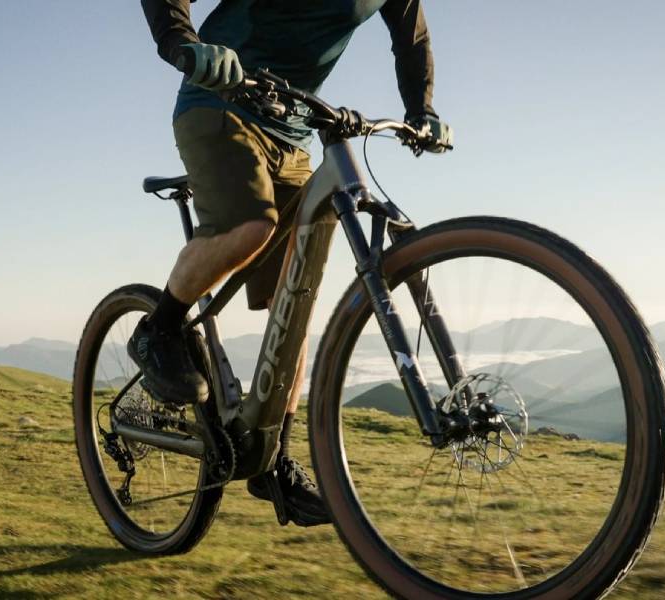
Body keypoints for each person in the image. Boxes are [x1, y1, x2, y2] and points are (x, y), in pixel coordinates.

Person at [132, 0, 450, 527]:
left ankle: (272, 458)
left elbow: (412, 40)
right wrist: (181, 41)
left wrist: (423, 110)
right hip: (219, 104)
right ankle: (158, 327)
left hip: (295, 129)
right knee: (251, 225)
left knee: (295, 295)